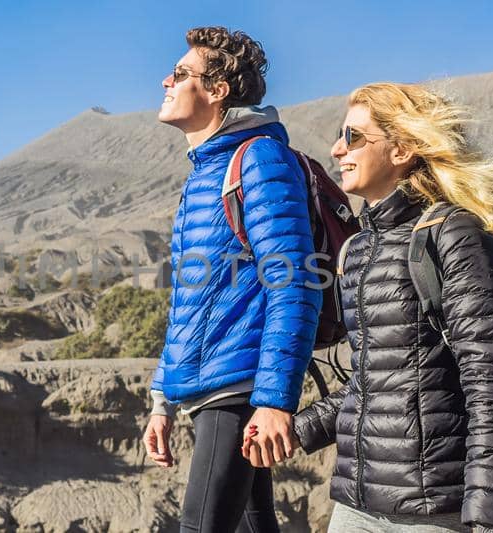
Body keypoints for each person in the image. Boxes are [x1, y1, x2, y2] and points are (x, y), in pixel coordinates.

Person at [290, 82, 493, 533]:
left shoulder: (455, 236)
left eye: (354, 136)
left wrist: (489, 520)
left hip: (434, 513)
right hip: (355, 506)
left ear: (401, 150)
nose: (337, 148)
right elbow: (376, 381)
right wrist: (299, 428)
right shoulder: (359, 249)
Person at [140, 26, 322, 533]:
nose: (165, 82)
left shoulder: (258, 160)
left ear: (217, 89)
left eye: (180, 74)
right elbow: (190, 305)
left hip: (236, 392)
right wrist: (162, 400)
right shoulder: (205, 173)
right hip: (209, 390)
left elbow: (295, 284)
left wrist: (273, 400)